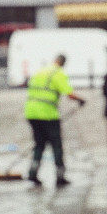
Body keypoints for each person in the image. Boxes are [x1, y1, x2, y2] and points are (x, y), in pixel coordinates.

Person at [24, 54, 86, 188]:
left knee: (39, 144)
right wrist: (81, 100)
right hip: (48, 114)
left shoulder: (40, 71)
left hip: (30, 112)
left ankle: (33, 173)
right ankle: (60, 176)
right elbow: (69, 94)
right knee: (56, 145)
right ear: (63, 63)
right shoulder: (58, 73)